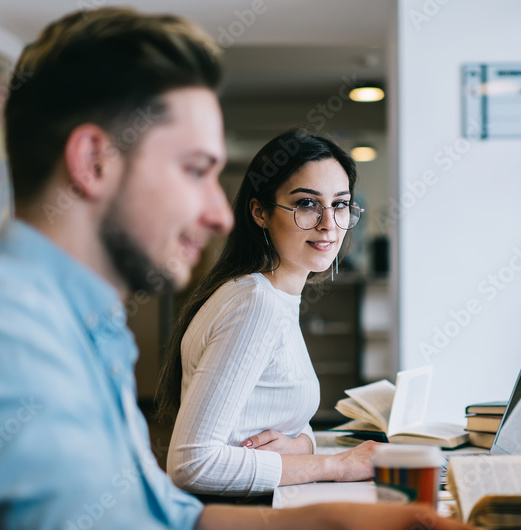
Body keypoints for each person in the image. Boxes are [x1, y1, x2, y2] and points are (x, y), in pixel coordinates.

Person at [0, 10, 504, 530]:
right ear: (93, 162)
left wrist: (344, 520)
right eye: (195, 170)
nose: (220, 210)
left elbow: (173, 520)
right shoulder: (8, 341)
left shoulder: (70, 321)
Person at [155, 130, 376, 498]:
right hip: (238, 521)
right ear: (260, 212)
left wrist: (302, 445)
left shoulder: (274, 295)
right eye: (307, 203)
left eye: (339, 204)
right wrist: (338, 465)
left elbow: (286, 418)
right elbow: (192, 464)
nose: (328, 223)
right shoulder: (254, 303)